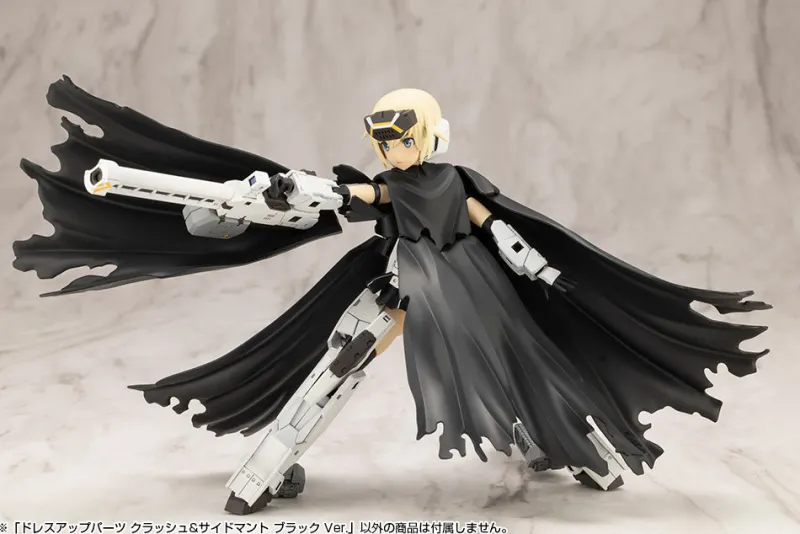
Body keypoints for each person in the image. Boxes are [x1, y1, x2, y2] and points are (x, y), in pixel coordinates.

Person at [12, 78, 771, 515]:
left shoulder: (459, 182)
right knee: (339, 366)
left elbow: (499, 230)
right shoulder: (388, 186)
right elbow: (345, 195)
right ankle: (264, 472)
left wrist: (540, 270)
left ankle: (583, 452)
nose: (390, 146)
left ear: (429, 134)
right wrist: (280, 193)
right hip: (408, 283)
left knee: (519, 364)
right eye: (382, 136)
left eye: (400, 134)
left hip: (471, 288)